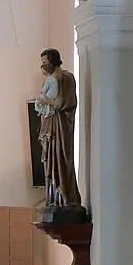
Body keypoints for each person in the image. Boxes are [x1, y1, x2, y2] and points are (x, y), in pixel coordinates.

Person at [33, 47, 82, 213]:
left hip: (60, 128)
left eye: (45, 62)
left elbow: (66, 103)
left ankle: (66, 199)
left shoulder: (65, 78)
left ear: (54, 61)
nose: (43, 66)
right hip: (49, 126)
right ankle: (52, 198)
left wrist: (45, 100)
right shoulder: (50, 78)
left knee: (60, 159)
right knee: (49, 161)